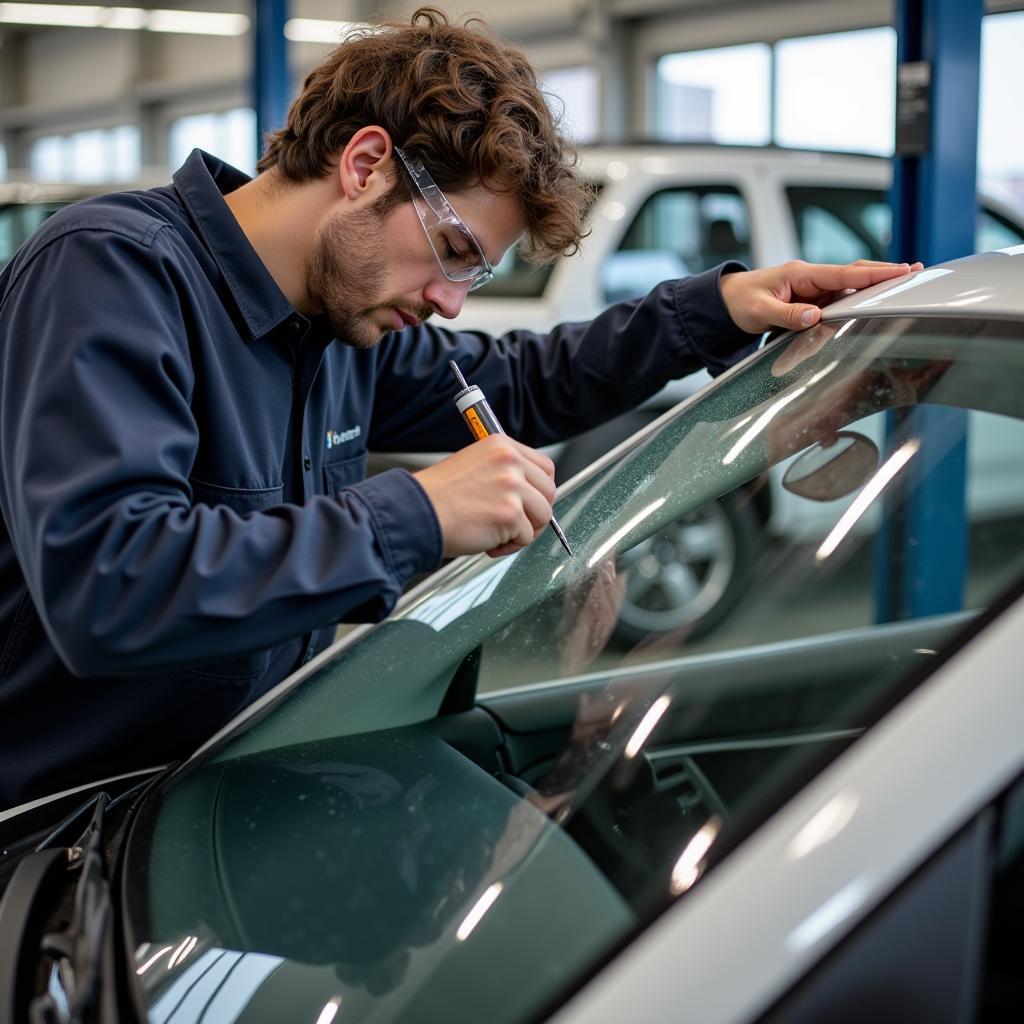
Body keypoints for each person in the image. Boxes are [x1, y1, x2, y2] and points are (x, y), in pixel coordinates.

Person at [0, 7, 919, 809]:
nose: (449, 301)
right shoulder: (114, 272)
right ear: (365, 164)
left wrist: (714, 311)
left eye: (474, 273)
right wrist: (421, 512)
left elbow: (525, 380)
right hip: (57, 841)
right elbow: (108, 582)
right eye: (452, 249)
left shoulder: (333, 324)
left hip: (209, 801)